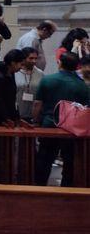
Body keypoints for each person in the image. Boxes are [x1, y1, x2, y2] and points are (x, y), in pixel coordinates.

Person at [34, 52, 89, 187]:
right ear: (77, 66)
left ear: (60, 63)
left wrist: (35, 120)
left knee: (44, 159)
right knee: (69, 160)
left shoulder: (47, 80)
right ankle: (66, 188)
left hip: (49, 124)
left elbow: (37, 104)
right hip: (71, 128)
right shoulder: (82, 86)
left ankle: (39, 186)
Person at [0, 49, 24, 183]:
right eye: (20, 63)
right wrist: (5, 118)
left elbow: (11, 98)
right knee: (1, 150)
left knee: (6, 149)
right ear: (13, 63)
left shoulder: (10, 74)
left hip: (8, 116)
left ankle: (4, 175)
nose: (21, 67)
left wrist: (15, 116)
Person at [15, 47, 44, 122]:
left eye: (36, 58)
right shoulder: (15, 72)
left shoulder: (40, 74)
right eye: (31, 58)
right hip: (17, 114)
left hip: (34, 115)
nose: (34, 61)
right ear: (23, 59)